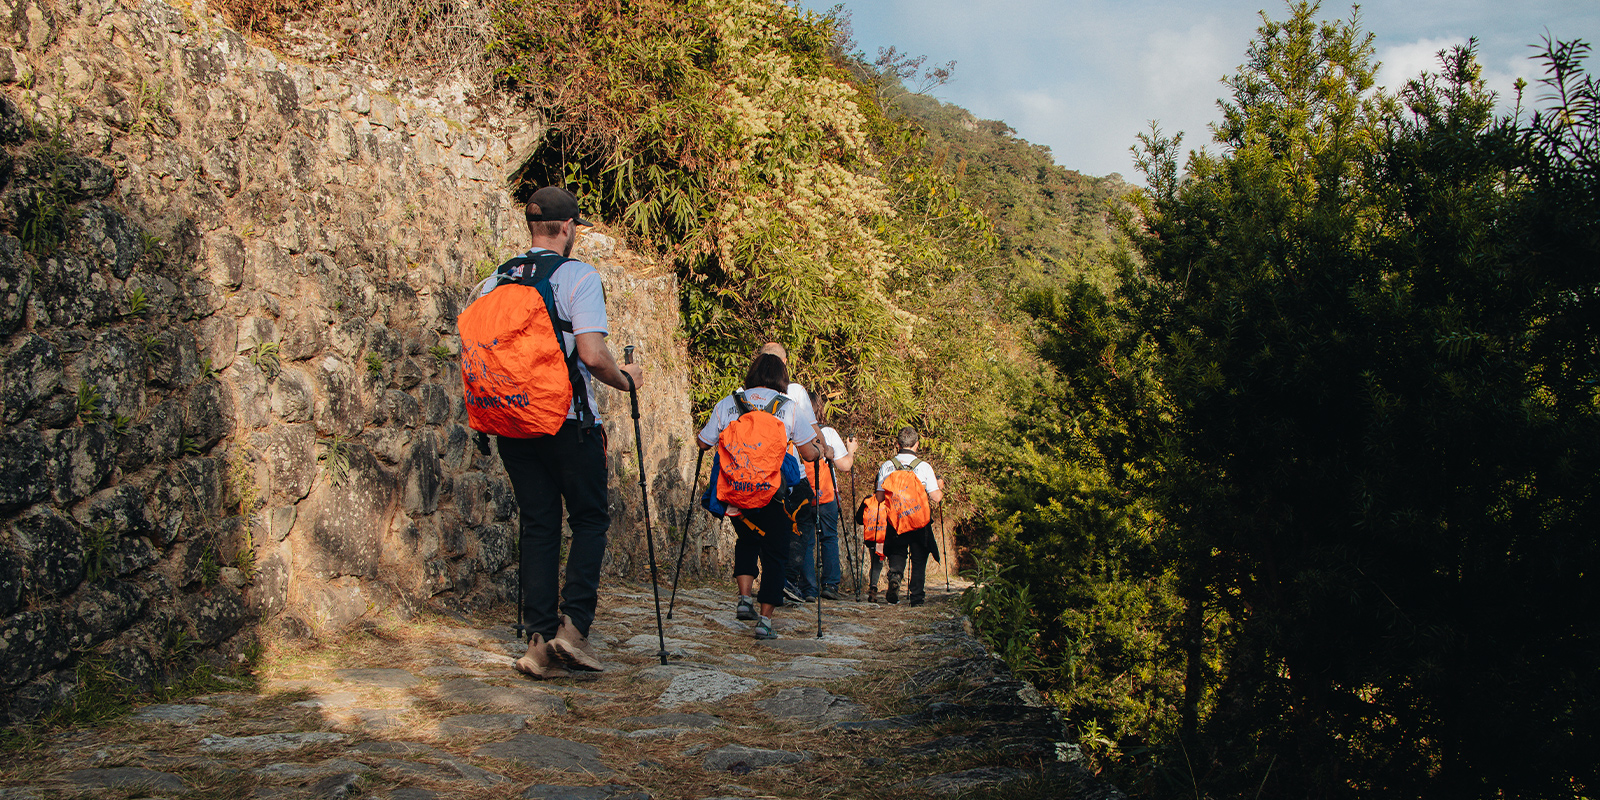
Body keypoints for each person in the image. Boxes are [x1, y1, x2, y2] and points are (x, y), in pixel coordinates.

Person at [490, 186, 643, 680]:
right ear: (568, 227)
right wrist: (627, 381)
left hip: (512, 421)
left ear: (532, 226)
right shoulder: (577, 275)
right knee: (590, 519)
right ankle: (572, 632)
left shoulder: (497, 279)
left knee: (538, 524)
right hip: (566, 421)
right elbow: (594, 356)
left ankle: (536, 642)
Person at [698, 354, 822, 639]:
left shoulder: (728, 404)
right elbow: (808, 453)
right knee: (776, 553)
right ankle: (765, 622)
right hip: (771, 494)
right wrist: (817, 450)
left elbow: (704, 443)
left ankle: (744, 599)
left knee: (746, 541)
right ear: (782, 379)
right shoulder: (787, 408)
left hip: (734, 493)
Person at [876, 426, 944, 607]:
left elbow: (880, 497)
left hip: (895, 520)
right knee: (919, 558)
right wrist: (940, 486)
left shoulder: (887, 465)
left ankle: (896, 576)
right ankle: (916, 598)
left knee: (897, 552)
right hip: (918, 521)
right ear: (917, 445)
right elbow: (936, 498)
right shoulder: (924, 467)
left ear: (897, 444)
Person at [804, 390, 857, 601]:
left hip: (801, 493)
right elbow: (845, 465)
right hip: (826, 495)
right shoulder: (828, 433)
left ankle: (806, 586)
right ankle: (830, 584)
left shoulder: (792, 430)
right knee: (828, 538)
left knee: (805, 540)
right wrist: (851, 450)